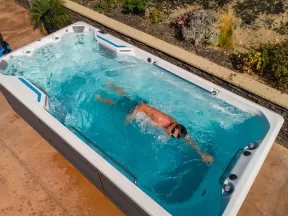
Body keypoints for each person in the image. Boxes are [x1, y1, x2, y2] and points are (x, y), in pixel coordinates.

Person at [96, 82, 214, 163]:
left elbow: (188, 139)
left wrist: (201, 154)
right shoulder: (161, 119)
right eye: (172, 131)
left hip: (145, 110)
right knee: (116, 104)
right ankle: (99, 97)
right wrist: (130, 116)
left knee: (125, 96)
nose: (170, 134)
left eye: (172, 136)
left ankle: (111, 85)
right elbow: (142, 106)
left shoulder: (176, 129)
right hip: (139, 107)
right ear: (173, 124)